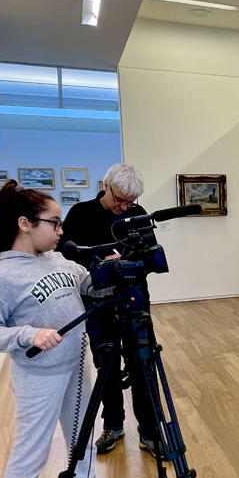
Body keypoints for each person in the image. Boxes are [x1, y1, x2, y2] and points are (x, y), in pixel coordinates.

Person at [0, 182, 125, 478]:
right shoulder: (1, 276)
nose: (61, 231)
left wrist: (108, 272)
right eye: (54, 223)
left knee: (82, 433)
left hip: (75, 365)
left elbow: (87, 286)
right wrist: (29, 334)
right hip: (38, 376)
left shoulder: (57, 260)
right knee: (33, 450)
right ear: (25, 224)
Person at [57, 163, 162, 457]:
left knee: (143, 365)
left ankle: (150, 432)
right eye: (120, 200)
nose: (124, 207)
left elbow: (150, 257)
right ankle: (113, 425)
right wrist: (101, 263)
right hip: (98, 305)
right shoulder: (80, 214)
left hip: (135, 300)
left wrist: (129, 261)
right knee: (107, 366)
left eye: (130, 201)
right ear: (106, 186)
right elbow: (64, 256)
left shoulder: (138, 215)